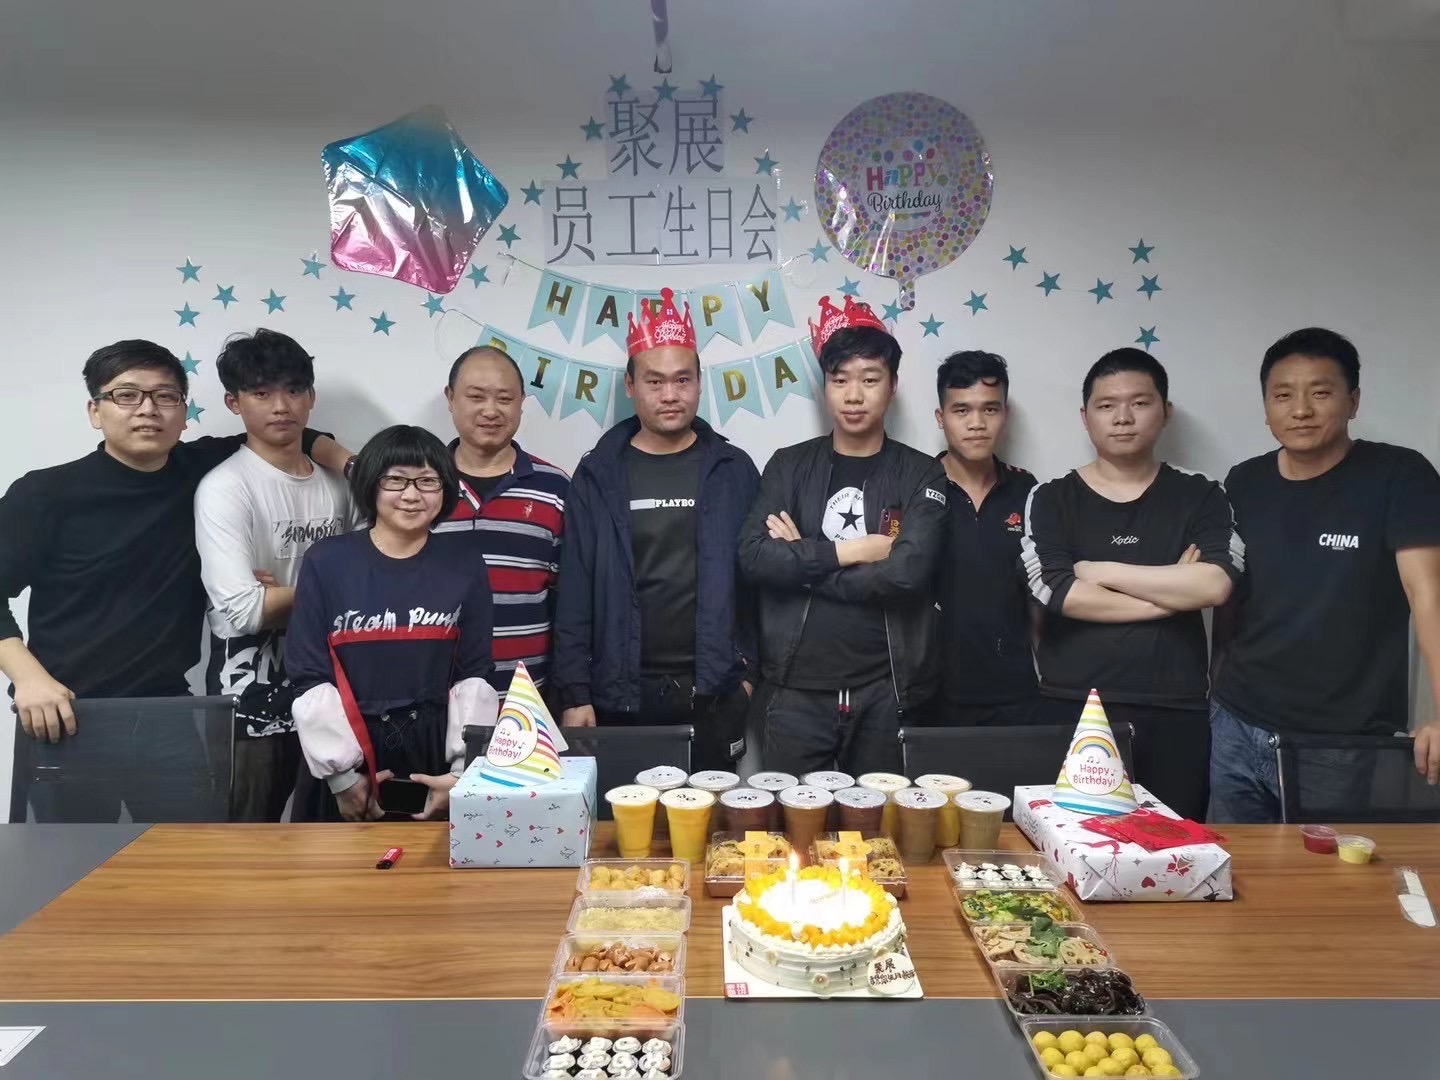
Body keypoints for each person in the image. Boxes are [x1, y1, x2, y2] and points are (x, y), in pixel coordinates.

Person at [0, 339, 347, 822]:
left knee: (191, 855)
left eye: (165, 396)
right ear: (95, 411)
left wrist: (356, 466)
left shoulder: (198, 468)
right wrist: (28, 678)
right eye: (126, 396)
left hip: (171, 711)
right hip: (68, 710)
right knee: (71, 859)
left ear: (184, 413)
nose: (148, 410)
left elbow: (293, 433)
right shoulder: (46, 493)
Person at [1209, 328, 1440, 822]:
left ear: (1353, 401)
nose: (1301, 410)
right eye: (1283, 395)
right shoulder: (1244, 481)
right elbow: (1230, 595)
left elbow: (1429, 597)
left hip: (1340, 738)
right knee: (1230, 864)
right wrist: (1216, 685)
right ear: (1266, 406)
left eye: (1320, 393)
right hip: (1236, 721)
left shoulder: (1400, 475)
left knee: (1326, 870)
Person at [1021, 348, 1241, 821]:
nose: (1123, 418)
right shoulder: (1051, 497)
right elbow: (1059, 593)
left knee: (1175, 850)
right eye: (1106, 405)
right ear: (1086, 417)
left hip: (1177, 709)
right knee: (1068, 843)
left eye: (1140, 403)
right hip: (1072, 704)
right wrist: (1170, 597)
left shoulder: (1202, 494)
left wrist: (1099, 570)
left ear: (1166, 411)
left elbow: (1214, 586)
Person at [738, 295, 946, 776]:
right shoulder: (788, 465)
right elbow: (753, 556)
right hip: (794, 692)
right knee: (791, 820)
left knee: (880, 821)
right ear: (825, 386)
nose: (854, 395)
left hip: (886, 690)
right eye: (840, 380)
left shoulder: (921, 473)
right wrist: (856, 550)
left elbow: (908, 573)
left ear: (892, 386)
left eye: (870, 380)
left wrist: (803, 560)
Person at [553, 288, 760, 771]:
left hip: (714, 694)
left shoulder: (734, 470)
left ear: (699, 383)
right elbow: (575, 589)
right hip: (618, 696)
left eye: (683, 379)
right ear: (630, 385)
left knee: (713, 818)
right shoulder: (597, 474)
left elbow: (759, 583)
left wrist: (749, 677)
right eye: (655, 381)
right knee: (622, 818)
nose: (670, 395)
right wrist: (575, 693)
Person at [285, 425, 498, 823]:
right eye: (395, 480)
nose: (412, 494)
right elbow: (308, 673)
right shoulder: (327, 561)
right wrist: (342, 780)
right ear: (371, 484)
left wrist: (461, 775)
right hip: (348, 755)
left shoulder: (465, 563)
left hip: (435, 757)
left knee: (433, 863)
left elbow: (475, 672)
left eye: (427, 481)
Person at [194, 330, 359, 822]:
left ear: (311, 397)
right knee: (247, 833)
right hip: (251, 690)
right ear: (234, 402)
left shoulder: (339, 484)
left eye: (293, 390)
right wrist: (333, 591)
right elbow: (245, 612)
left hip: (335, 683)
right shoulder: (225, 487)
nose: (281, 406)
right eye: (261, 393)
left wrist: (283, 596)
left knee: (338, 828)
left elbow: (376, 578)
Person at [434, 345, 568, 702]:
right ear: (450, 398)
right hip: (433, 701)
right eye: (476, 397)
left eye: (505, 398)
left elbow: (569, 601)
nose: (491, 410)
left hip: (527, 700)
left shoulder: (555, 488)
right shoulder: (421, 486)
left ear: (522, 402)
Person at [931, 351, 1040, 725]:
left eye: (989, 409)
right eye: (961, 410)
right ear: (941, 418)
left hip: (1014, 692)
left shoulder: (1027, 490)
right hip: (930, 692)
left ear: (1004, 415)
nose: (976, 424)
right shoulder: (915, 486)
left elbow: (1040, 595)